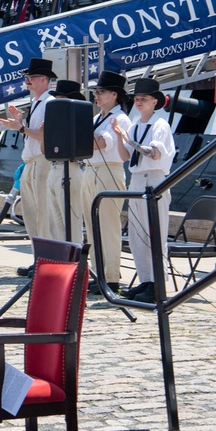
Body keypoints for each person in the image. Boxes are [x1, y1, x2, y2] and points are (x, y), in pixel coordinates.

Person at [113, 77, 176, 304]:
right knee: (137, 235)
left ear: (154, 102)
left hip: (154, 179)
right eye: (137, 99)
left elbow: (154, 154)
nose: (139, 103)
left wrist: (129, 139)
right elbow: (126, 157)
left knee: (155, 232)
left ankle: (157, 282)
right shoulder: (136, 125)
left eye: (144, 99)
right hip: (138, 179)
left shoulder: (160, 125)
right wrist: (122, 137)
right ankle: (145, 280)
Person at [82, 71, 132, 294]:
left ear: (114, 94)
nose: (97, 95)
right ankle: (99, 272)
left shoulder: (120, 118)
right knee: (92, 227)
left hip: (108, 172)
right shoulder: (96, 118)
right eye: (96, 92)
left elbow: (101, 143)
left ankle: (111, 277)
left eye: (101, 92)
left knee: (108, 226)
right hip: (91, 171)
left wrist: (79, 129)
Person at [0, 57, 57, 246]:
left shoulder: (50, 103)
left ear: (45, 79)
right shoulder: (37, 103)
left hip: (42, 161)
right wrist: (21, 123)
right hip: (31, 162)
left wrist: (20, 128)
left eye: (33, 76)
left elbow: (45, 137)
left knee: (43, 212)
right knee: (31, 214)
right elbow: (33, 135)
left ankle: (46, 258)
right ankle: (38, 258)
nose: (28, 80)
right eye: (27, 77)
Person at [45, 79, 87, 243]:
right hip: (55, 167)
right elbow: (45, 150)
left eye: (60, 99)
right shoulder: (54, 120)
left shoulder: (77, 119)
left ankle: (74, 260)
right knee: (55, 221)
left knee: (71, 220)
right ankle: (60, 259)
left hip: (70, 168)